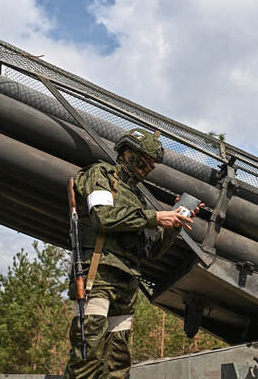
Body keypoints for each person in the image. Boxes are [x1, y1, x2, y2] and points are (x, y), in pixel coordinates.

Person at [64, 128, 199, 378]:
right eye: (146, 160)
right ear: (128, 153)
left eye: (152, 163)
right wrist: (155, 217)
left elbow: (151, 249)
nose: (149, 167)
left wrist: (173, 225)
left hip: (127, 283)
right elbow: (103, 216)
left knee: (117, 363)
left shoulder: (137, 198)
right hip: (98, 276)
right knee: (87, 356)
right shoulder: (101, 174)